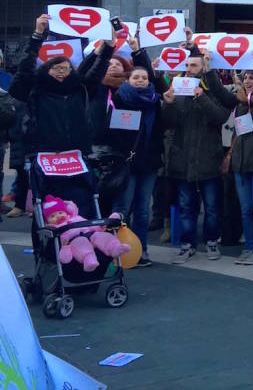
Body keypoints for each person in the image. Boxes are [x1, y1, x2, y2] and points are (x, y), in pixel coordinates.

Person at [10, 15, 114, 213]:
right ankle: (45, 244)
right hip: (44, 155)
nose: (61, 72)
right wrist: (37, 35)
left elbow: (98, 69)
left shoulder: (79, 88)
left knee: (79, 205)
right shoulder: (35, 90)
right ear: (46, 70)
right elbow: (23, 71)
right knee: (48, 207)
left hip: (76, 156)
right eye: (56, 68)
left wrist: (109, 46)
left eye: (66, 68)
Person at [161, 50, 232, 264]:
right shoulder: (178, 90)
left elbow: (221, 117)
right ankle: (187, 244)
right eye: (188, 65)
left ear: (203, 68)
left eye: (194, 66)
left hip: (208, 158)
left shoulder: (211, 91)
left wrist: (202, 98)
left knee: (211, 206)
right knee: (186, 207)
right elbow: (169, 123)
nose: (189, 69)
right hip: (183, 160)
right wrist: (170, 103)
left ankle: (211, 241)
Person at [205, 63, 253, 265]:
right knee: (246, 208)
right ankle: (250, 246)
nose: (247, 81)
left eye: (252, 77)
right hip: (240, 163)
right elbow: (219, 91)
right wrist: (209, 68)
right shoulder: (238, 102)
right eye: (245, 78)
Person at [106, 46, 166, 267]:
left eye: (144, 77)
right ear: (128, 80)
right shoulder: (120, 99)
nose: (140, 80)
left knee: (142, 209)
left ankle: (141, 251)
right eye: (136, 77)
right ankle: (115, 250)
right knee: (123, 208)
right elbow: (113, 132)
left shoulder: (154, 100)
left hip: (149, 162)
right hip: (126, 162)